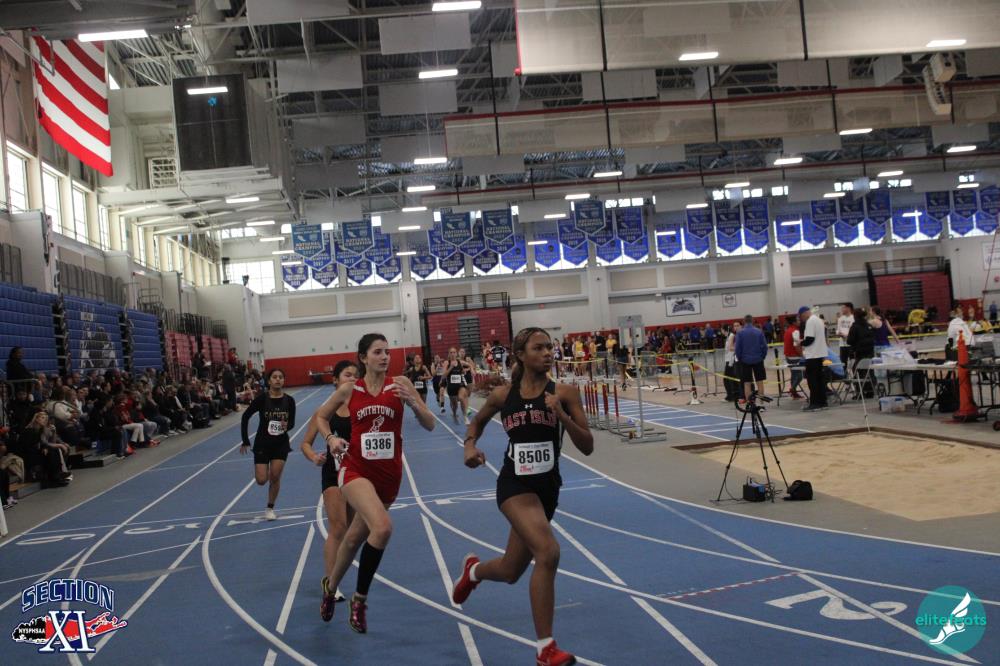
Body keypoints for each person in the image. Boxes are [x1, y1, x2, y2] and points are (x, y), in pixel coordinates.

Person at [451, 327, 593, 666]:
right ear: (520, 355)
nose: (547, 353)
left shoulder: (565, 393)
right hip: (514, 485)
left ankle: (473, 572)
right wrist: (469, 446)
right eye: (538, 348)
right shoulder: (503, 396)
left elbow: (587, 445)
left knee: (511, 569)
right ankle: (546, 649)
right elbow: (476, 423)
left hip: (548, 488)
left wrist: (561, 416)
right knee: (548, 551)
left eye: (549, 347)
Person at [312, 333, 435, 633]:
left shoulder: (401, 384)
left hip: (389, 476)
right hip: (355, 469)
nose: (384, 357)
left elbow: (430, 423)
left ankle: (330, 587)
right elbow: (321, 417)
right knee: (383, 527)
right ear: (363, 358)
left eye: (387, 352)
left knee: (354, 538)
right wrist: (331, 438)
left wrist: (414, 404)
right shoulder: (349, 389)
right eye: (377, 352)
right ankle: (360, 600)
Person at [300, 360, 358, 618]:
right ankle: (331, 584)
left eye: (356, 375)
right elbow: (305, 443)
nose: (353, 379)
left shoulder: (361, 408)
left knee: (352, 532)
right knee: (338, 527)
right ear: (335, 380)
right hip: (333, 474)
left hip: (358, 475)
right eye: (347, 375)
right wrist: (314, 456)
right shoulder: (324, 412)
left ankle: (335, 577)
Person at [240, 368, 296, 521]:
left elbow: (292, 422)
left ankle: (270, 508)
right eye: (274, 377)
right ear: (269, 381)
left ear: (283, 380)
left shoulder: (289, 401)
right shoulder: (262, 399)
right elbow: (245, 416)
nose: (278, 379)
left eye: (280, 377)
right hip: (262, 443)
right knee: (261, 480)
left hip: (280, 444)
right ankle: (263, 471)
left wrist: (286, 426)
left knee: (275, 477)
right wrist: (245, 440)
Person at [799, 306, 829, 411]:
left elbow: (810, 339)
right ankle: (823, 402)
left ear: (804, 314)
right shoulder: (819, 320)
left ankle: (815, 403)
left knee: (813, 381)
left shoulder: (810, 321)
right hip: (820, 354)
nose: (802, 319)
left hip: (812, 355)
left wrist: (800, 342)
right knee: (820, 380)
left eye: (801, 317)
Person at [735, 315, 768, 401]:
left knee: (747, 383)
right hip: (758, 359)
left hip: (745, 360)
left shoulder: (740, 333)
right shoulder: (759, 332)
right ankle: (761, 402)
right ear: (753, 321)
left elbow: (737, 348)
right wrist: (763, 356)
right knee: (760, 382)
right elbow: (764, 346)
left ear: (744, 322)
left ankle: (749, 403)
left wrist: (740, 358)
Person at [846, 308, 876, 399]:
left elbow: (849, 341)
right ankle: (870, 391)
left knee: (858, 373)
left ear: (855, 316)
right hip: (870, 353)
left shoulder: (855, 326)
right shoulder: (869, 325)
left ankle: (860, 392)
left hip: (859, 353)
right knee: (869, 372)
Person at [782, 315, 804, 400]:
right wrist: (802, 355)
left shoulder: (788, 330)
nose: (799, 321)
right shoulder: (795, 331)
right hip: (794, 357)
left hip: (788, 356)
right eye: (798, 320)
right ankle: (792, 389)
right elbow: (796, 345)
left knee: (794, 375)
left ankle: (794, 393)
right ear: (794, 322)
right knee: (799, 376)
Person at [723, 322, 742, 401]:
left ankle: (731, 396)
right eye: (734, 326)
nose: (736, 327)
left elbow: (731, 348)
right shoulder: (729, 336)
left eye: (737, 326)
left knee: (729, 378)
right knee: (731, 378)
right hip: (729, 360)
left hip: (732, 360)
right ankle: (733, 395)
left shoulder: (732, 336)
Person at [836, 303, 855, 369]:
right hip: (842, 344)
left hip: (851, 344)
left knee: (853, 361)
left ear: (848, 308)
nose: (842, 309)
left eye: (843, 308)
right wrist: (838, 333)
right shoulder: (840, 319)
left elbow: (854, 331)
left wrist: (846, 335)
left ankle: (854, 374)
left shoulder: (853, 318)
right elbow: (838, 329)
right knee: (843, 362)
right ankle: (844, 374)